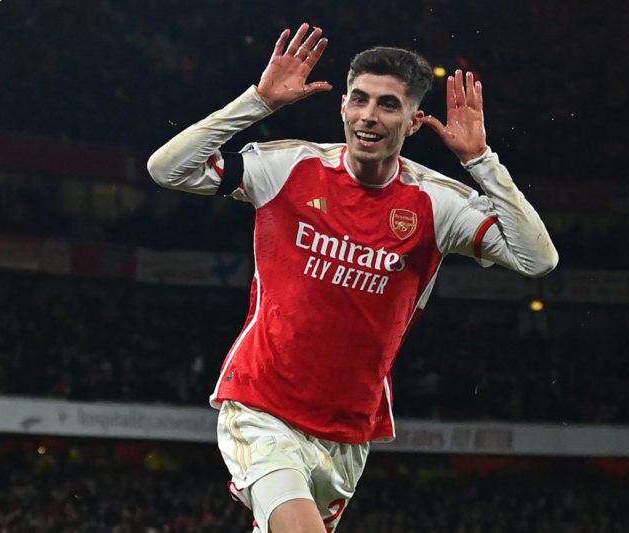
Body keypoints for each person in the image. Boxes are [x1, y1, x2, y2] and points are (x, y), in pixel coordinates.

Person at [148, 23, 558, 533]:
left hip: (347, 431)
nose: (369, 115)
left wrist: (480, 161)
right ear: (342, 106)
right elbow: (167, 169)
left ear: (412, 122)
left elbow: (537, 259)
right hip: (262, 404)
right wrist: (258, 102)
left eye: (388, 105)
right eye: (359, 99)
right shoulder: (288, 168)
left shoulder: (438, 203)